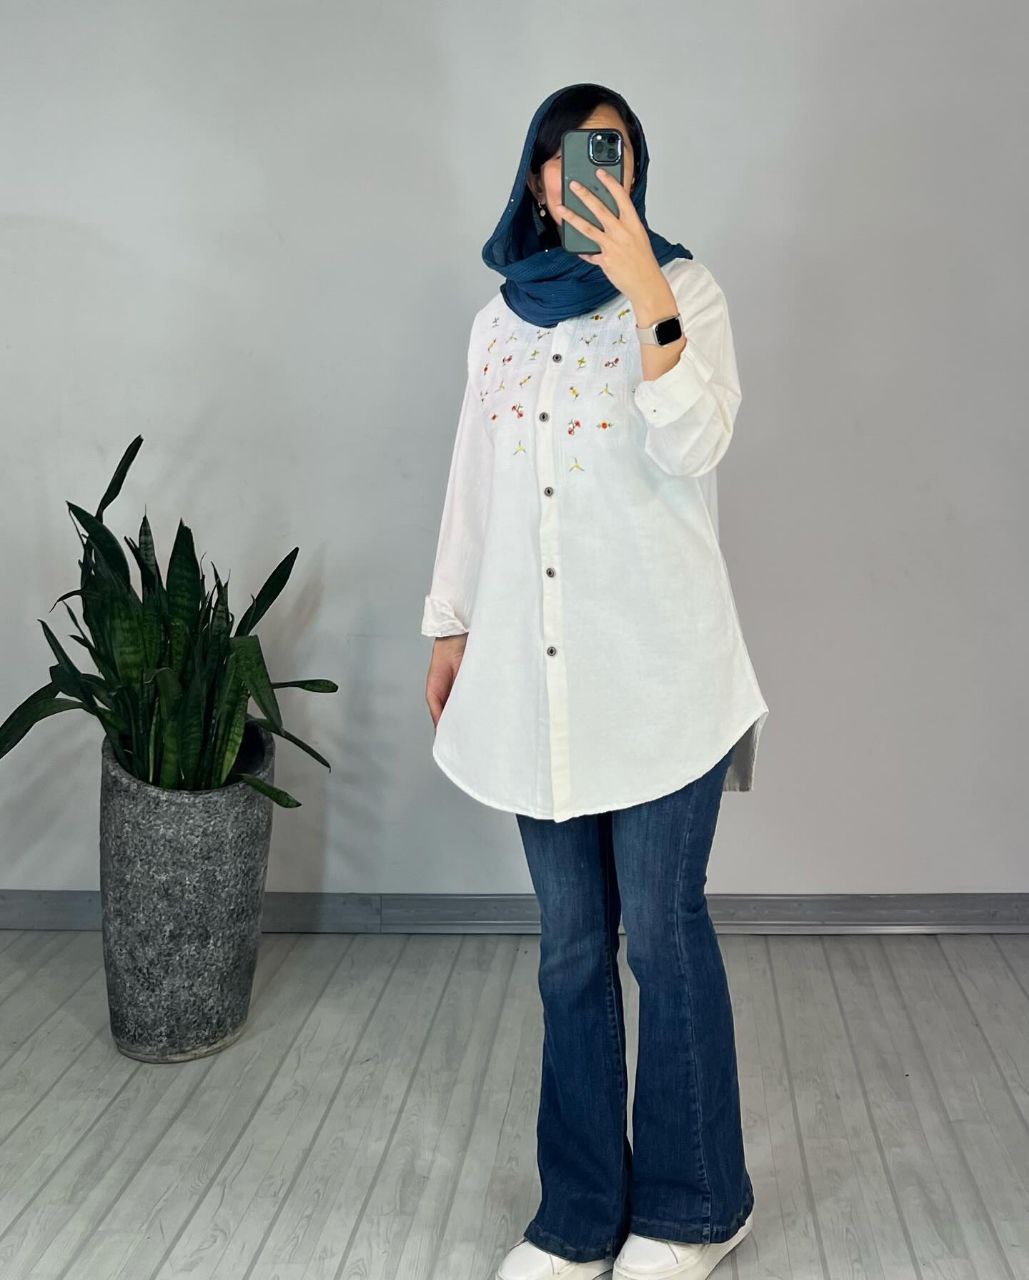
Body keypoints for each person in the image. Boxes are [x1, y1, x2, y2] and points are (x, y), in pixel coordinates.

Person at [421, 81, 768, 1280]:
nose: (591, 171)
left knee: (662, 934)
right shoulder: (497, 324)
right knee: (569, 949)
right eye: (572, 154)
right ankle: (577, 1217)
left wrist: (648, 295)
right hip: (537, 678)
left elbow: (698, 440)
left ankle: (697, 1206)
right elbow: (475, 481)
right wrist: (450, 623)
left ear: (636, 171)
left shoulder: (687, 290)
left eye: (613, 152)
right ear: (536, 177)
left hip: (662, 673)